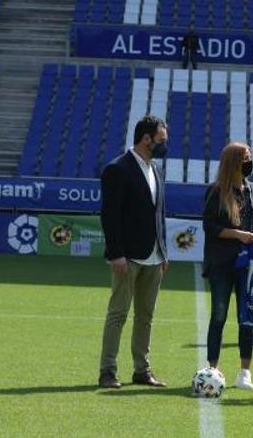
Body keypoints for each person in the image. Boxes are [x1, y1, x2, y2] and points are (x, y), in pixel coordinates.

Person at [98, 116, 169, 389]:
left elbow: (159, 215)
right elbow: (110, 215)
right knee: (118, 314)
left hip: (154, 256)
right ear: (146, 139)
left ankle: (142, 370)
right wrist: (116, 253)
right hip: (127, 257)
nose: (165, 145)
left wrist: (163, 252)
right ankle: (107, 371)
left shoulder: (157, 170)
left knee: (146, 316)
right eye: (161, 140)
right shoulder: (117, 169)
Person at [202, 142, 253, 390]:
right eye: (245, 158)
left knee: (246, 318)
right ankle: (212, 369)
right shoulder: (216, 191)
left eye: (250, 157)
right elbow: (210, 227)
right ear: (233, 162)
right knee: (218, 315)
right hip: (222, 264)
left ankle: (244, 372)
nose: (249, 162)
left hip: (247, 265)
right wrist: (238, 235)